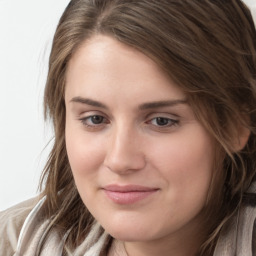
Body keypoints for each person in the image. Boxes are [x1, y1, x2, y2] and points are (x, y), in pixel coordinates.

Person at [1, 0, 256, 255]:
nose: (120, 160)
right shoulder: (11, 244)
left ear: (236, 125)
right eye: (95, 119)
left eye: (162, 121)